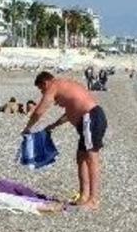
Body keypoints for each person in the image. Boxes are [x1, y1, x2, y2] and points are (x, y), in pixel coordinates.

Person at [22, 71, 107, 209]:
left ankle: (94, 200)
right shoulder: (65, 86)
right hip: (88, 120)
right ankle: (84, 196)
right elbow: (71, 111)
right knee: (81, 158)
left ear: (45, 83)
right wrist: (54, 125)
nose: (42, 93)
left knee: (92, 158)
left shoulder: (53, 86)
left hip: (90, 118)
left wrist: (28, 128)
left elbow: (39, 111)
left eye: (41, 89)